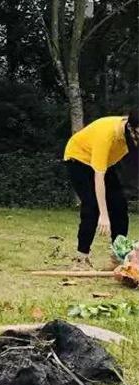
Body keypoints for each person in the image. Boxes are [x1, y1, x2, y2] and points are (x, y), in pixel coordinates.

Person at [64, 110, 139, 268]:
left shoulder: (129, 134)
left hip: (103, 163)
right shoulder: (107, 134)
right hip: (79, 158)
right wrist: (104, 215)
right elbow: (99, 177)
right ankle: (81, 259)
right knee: (92, 207)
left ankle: (118, 256)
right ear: (130, 128)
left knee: (119, 205)